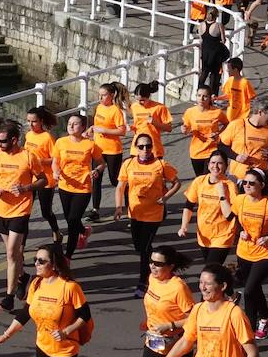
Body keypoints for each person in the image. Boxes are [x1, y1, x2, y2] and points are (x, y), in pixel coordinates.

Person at [221, 168, 268, 340]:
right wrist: (240, 232)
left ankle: (250, 329)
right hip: (244, 251)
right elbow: (234, 218)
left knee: (250, 289)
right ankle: (265, 318)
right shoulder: (240, 200)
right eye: (244, 182)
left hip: (265, 253)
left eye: (251, 183)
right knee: (253, 288)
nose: (247, 185)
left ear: (262, 185)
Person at [0, 119, 44, 311]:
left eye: (3, 142)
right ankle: (24, 276)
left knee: (10, 253)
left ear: (15, 140)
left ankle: (8, 297)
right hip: (1, 209)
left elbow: (43, 179)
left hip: (21, 210)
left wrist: (26, 187)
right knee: (15, 253)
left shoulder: (28, 156)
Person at [115, 132, 181, 295]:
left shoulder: (161, 165)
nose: (145, 149)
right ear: (135, 148)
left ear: (153, 147)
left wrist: (165, 197)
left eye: (148, 146)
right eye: (141, 146)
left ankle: (143, 282)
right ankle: (163, 260)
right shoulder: (128, 164)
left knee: (144, 249)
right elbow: (120, 187)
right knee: (139, 246)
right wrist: (118, 207)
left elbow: (177, 183)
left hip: (154, 213)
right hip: (135, 212)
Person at [53, 113, 102, 257]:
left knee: (73, 221)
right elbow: (55, 162)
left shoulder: (90, 144)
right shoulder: (60, 142)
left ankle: (67, 256)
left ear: (82, 127)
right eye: (69, 123)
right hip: (64, 186)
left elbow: (101, 163)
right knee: (70, 219)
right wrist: (55, 172)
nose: (71, 126)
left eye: (75, 124)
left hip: (83, 188)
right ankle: (84, 231)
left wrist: (96, 171)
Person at [179, 153, 238, 265]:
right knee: (213, 271)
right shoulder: (199, 181)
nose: (215, 166)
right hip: (204, 234)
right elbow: (189, 205)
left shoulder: (230, 185)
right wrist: (184, 226)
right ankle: (227, 279)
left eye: (220, 163)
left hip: (223, 235)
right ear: (208, 164)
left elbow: (230, 216)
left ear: (226, 166)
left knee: (210, 269)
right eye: (213, 162)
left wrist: (222, 194)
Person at [87, 81, 129, 220]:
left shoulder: (115, 110)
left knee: (114, 180)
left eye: (104, 95)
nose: (100, 98)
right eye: (99, 95)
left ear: (112, 95)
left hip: (112, 151)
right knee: (96, 178)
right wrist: (90, 130)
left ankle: (129, 199)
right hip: (98, 148)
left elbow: (122, 131)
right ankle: (95, 210)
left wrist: (104, 130)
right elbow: (96, 125)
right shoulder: (99, 107)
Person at [218, 95, 268, 183]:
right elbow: (221, 146)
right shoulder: (237, 125)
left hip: (258, 179)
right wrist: (236, 157)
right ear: (260, 112)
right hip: (237, 177)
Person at [24, 106, 63, 244]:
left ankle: (56, 231)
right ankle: (21, 242)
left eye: (33, 121)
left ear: (41, 121)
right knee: (25, 212)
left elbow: (56, 158)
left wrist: (41, 161)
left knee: (46, 212)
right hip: (30, 178)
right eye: (28, 121)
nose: (30, 124)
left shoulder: (47, 137)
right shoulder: (28, 135)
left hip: (46, 179)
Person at [182, 86, 229, 177]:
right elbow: (186, 128)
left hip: (212, 150)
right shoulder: (190, 112)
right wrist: (184, 129)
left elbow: (227, 124)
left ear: (210, 98)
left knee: (211, 177)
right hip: (196, 152)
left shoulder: (217, 112)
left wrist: (219, 134)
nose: (201, 99)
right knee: (200, 179)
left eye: (205, 96)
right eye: (199, 95)